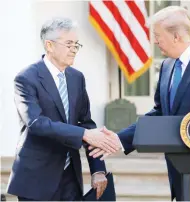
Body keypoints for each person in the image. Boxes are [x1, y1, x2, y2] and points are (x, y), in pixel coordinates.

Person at [89, 6, 190, 201]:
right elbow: (161, 113)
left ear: (176, 36)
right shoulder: (168, 66)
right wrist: (118, 140)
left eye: (158, 35)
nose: (155, 41)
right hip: (182, 174)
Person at [7, 17, 119, 201]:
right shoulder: (26, 78)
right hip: (36, 177)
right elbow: (36, 123)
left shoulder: (77, 78)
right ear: (49, 45)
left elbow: (86, 123)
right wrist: (83, 133)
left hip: (71, 176)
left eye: (76, 45)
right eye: (69, 44)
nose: (74, 50)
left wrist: (98, 169)